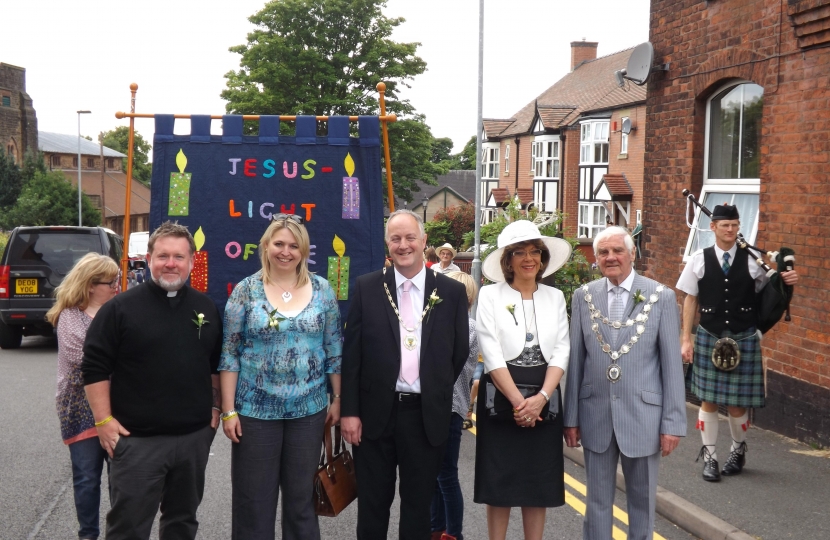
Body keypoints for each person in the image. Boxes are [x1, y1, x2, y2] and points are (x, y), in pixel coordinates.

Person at [81, 221, 223, 540]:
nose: (170, 263)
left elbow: (214, 364)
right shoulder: (119, 310)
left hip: (193, 440)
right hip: (137, 442)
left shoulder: (206, 308)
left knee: (182, 522)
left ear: (192, 261)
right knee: (128, 526)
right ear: (148, 259)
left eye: (178, 256)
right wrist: (103, 421)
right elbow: (94, 367)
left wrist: (214, 410)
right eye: (162, 256)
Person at [341, 209, 470, 540]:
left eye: (410, 237)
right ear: (388, 244)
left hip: (425, 417)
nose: (403, 245)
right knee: (373, 505)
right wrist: (350, 412)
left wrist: (432, 386)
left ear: (423, 241)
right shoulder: (366, 287)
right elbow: (352, 356)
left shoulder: (451, 293)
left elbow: (457, 354)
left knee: (418, 509)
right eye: (396, 238)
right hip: (374, 416)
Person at [219, 214, 342, 540]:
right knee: (253, 503)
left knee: (301, 502)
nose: (285, 252)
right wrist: (228, 410)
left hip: (309, 412)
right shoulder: (245, 292)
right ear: (266, 246)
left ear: (303, 251)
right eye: (279, 244)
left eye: (293, 245)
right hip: (254, 414)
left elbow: (334, 349)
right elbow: (229, 353)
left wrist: (338, 398)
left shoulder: (322, 290)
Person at [564, 226, 686, 540]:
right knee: (597, 501)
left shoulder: (661, 296)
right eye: (603, 252)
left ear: (632, 255)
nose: (610, 257)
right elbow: (576, 360)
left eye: (617, 250)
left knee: (643, 501)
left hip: (644, 416)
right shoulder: (584, 296)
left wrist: (673, 422)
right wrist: (571, 418)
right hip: (595, 414)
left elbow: (672, 366)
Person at [678, 204, 798, 481]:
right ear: (713, 227)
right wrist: (686, 339)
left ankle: (737, 449)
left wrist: (788, 279)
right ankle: (710, 457)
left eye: (735, 225)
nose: (731, 230)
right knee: (707, 400)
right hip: (709, 335)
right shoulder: (700, 258)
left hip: (743, 336)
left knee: (736, 405)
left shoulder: (752, 261)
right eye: (725, 225)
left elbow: (772, 293)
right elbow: (690, 299)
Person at [474, 220, 572, 540]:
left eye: (535, 252)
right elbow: (491, 353)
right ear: (508, 260)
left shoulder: (555, 297)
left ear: (542, 258)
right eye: (520, 252)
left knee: (538, 484)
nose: (529, 258)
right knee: (499, 483)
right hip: (502, 397)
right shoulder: (489, 295)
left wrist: (541, 398)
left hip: (543, 397)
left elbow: (561, 351)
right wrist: (520, 404)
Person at [46, 253, 119, 540]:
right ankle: (88, 535)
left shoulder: (119, 310)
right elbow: (85, 359)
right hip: (79, 407)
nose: (116, 286)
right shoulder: (70, 316)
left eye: (117, 280)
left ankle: (120, 533)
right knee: (87, 478)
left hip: (118, 405)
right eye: (110, 281)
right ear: (90, 285)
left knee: (120, 479)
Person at [430, 270, 479, 540]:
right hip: (449, 405)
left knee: (445, 474)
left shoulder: (466, 327)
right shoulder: (456, 323)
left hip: (448, 406)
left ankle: (453, 533)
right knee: (436, 476)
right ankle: (436, 529)